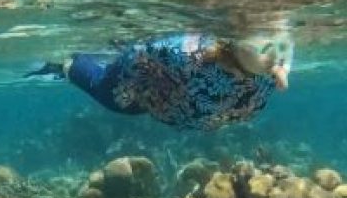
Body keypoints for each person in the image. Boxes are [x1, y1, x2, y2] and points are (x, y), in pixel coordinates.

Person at [25, 33, 293, 131]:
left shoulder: (272, 63)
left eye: (282, 46)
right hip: (141, 92)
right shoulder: (185, 54)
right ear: (234, 40)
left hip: (174, 105)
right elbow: (138, 56)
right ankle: (63, 65)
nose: (279, 56)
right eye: (268, 45)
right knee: (100, 85)